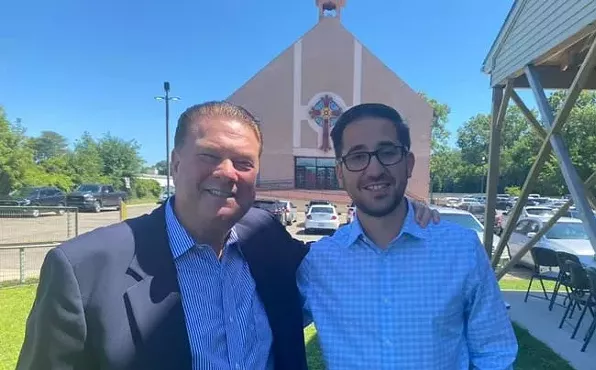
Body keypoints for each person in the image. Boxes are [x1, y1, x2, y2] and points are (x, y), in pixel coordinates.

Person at [17, 101, 440, 370]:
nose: (226, 173)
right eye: (209, 156)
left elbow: (340, 259)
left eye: (243, 162)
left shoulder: (266, 238)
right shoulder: (83, 269)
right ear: (176, 162)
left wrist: (403, 209)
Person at [298, 103, 518, 369]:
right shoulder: (317, 264)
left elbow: (495, 353)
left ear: (408, 163)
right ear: (340, 173)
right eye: (357, 157)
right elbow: (262, 329)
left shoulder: (461, 250)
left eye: (387, 152)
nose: (374, 169)